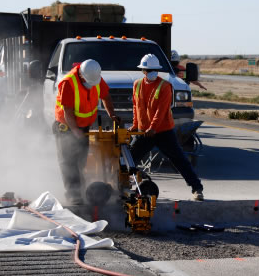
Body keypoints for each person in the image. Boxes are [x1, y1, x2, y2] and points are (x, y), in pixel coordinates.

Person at [128, 54, 204, 201]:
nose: (152, 72)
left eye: (154, 69)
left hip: (163, 131)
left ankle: (197, 188)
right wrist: (136, 125)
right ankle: (123, 185)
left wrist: (152, 128)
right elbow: (136, 107)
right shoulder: (137, 84)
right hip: (144, 132)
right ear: (143, 70)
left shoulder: (165, 86)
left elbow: (161, 110)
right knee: (129, 160)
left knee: (179, 159)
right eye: (149, 70)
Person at [54, 59, 120, 205]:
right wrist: (75, 130)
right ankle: (74, 196)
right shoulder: (68, 83)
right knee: (68, 163)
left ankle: (82, 191)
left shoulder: (95, 78)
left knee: (81, 161)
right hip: (66, 127)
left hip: (83, 127)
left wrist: (112, 114)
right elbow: (68, 112)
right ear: (82, 76)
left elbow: (106, 96)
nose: (92, 85)